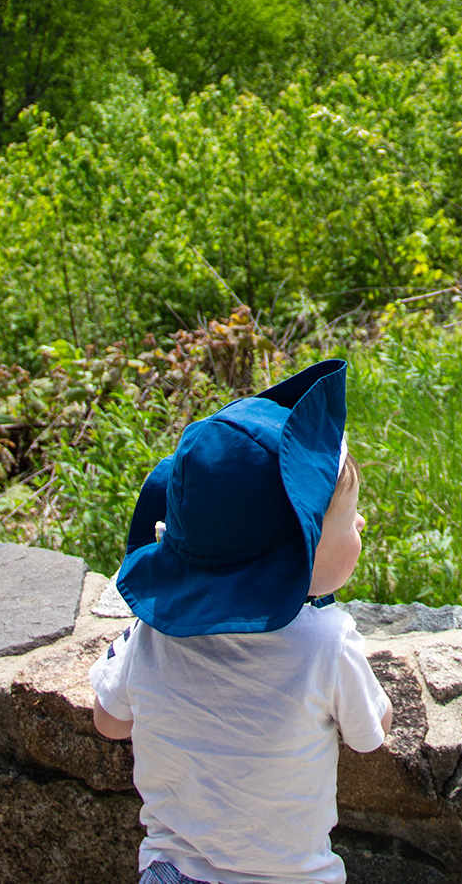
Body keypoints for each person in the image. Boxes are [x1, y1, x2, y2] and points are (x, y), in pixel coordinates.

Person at [90, 358, 392, 884]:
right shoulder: (327, 642)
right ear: (296, 555)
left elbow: (109, 723)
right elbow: (371, 736)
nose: (361, 522)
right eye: (347, 520)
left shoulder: (153, 633)